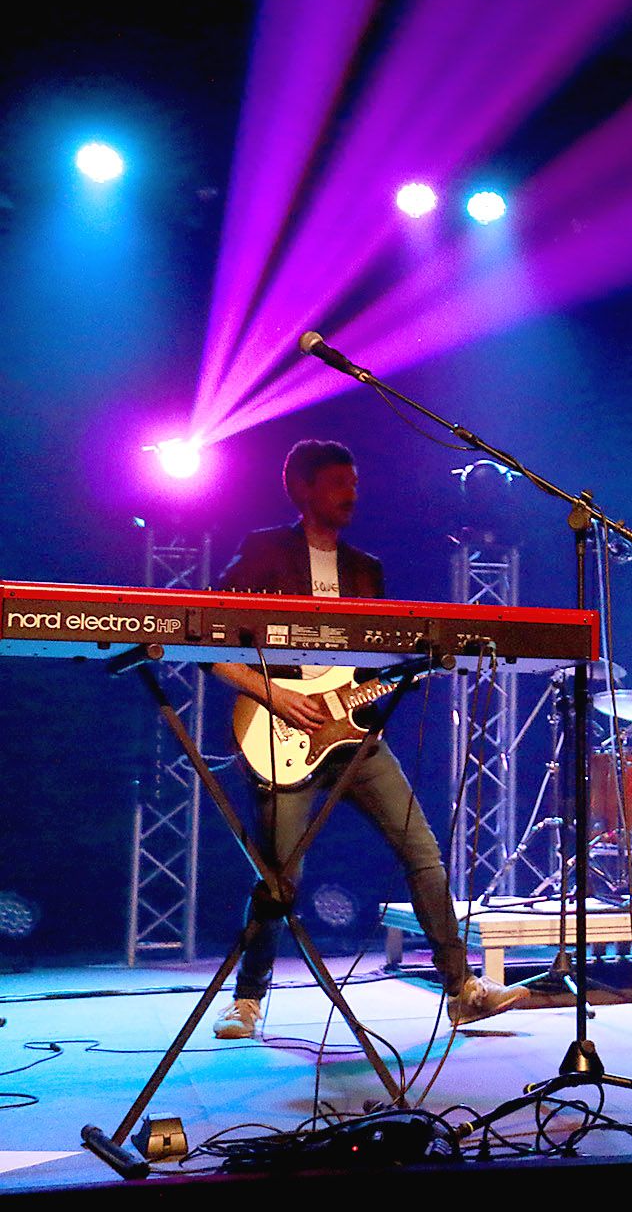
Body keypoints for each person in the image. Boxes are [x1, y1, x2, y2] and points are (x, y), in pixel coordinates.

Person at [209, 440, 527, 1039]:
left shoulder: (366, 568)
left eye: (354, 482)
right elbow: (208, 641)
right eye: (338, 483)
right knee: (280, 877)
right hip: (283, 731)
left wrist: (416, 665)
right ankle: (247, 998)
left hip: (355, 738)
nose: (351, 493)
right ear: (302, 489)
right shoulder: (265, 551)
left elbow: (371, 662)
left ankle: (462, 989)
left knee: (423, 853)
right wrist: (273, 695)